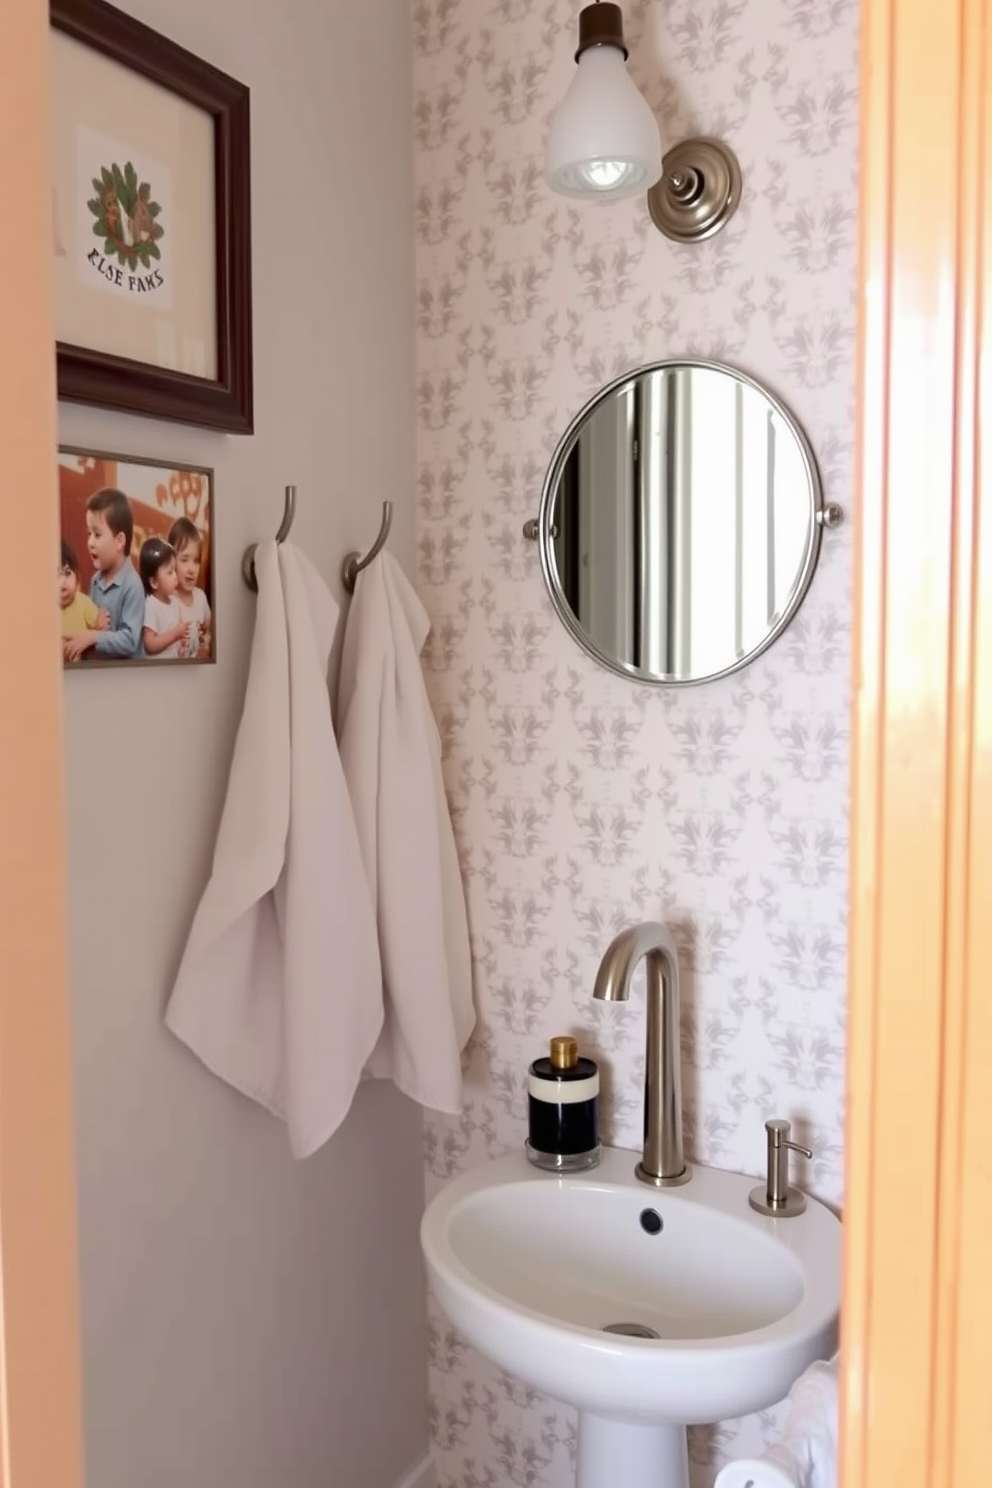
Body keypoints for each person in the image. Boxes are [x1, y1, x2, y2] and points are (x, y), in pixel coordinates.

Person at [63, 487, 145, 662]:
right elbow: (89, 620)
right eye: (89, 534)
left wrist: (93, 637)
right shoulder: (95, 581)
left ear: (119, 541)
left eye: (97, 534)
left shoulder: (132, 585)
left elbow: (130, 640)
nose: (90, 542)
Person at [139, 537, 191, 659]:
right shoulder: (151, 605)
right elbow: (150, 645)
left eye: (174, 570)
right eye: (170, 572)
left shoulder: (175, 602)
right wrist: (176, 634)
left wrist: (183, 643)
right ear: (154, 582)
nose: (175, 576)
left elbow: (179, 634)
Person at [167, 517, 212, 658]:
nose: (191, 569)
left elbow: (208, 627)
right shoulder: (167, 601)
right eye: (184, 560)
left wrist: (206, 641)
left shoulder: (200, 597)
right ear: (171, 562)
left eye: (196, 561)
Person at [59, 539, 108, 649]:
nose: (63, 583)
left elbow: (100, 626)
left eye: (67, 573)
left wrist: (102, 623)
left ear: (77, 578)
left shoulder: (83, 603)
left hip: (82, 664)